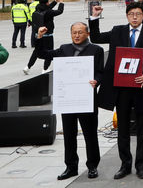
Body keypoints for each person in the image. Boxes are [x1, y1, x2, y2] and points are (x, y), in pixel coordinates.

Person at [89, 2, 143, 180]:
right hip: (122, 89)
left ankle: (140, 166)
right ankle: (125, 164)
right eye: (131, 14)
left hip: (142, 87)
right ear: (127, 16)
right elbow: (95, 37)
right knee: (123, 128)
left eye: (138, 14)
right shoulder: (117, 31)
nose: (135, 17)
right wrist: (95, 17)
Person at [36, 23, 104, 180]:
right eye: (74, 33)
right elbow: (43, 54)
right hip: (68, 99)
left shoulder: (96, 50)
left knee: (90, 134)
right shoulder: (64, 49)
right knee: (69, 135)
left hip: (86, 98)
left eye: (80, 32)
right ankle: (71, 166)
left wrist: (97, 81)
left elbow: (101, 72)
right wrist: (39, 37)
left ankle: (92, 166)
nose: (77, 35)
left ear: (87, 33)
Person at [24, 0, 64, 74]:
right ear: (47, 3)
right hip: (48, 35)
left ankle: (27, 67)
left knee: (36, 51)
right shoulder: (48, 12)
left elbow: (48, 7)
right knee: (49, 52)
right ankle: (45, 69)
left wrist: (55, 1)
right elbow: (59, 11)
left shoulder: (37, 9)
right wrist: (61, 2)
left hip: (38, 35)